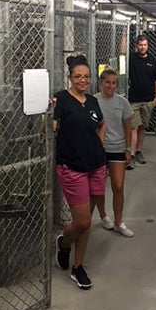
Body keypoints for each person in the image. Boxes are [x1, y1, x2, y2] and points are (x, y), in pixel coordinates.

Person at [54, 55, 107, 290]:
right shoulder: (61, 99)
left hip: (96, 165)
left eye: (86, 77)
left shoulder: (93, 101)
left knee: (85, 223)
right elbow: (50, 128)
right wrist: (46, 112)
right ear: (70, 78)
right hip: (72, 166)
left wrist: (98, 143)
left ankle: (78, 266)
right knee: (83, 220)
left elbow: (101, 124)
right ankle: (64, 244)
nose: (82, 80)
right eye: (78, 76)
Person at [94, 68, 134, 237]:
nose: (110, 86)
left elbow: (128, 126)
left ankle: (118, 222)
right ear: (101, 83)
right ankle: (103, 216)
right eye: (107, 82)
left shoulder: (122, 102)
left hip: (118, 149)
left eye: (113, 83)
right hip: (99, 149)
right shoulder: (93, 101)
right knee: (99, 188)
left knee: (118, 186)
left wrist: (128, 149)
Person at [127, 33, 156, 169]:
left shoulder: (152, 60)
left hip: (148, 100)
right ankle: (132, 155)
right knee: (133, 128)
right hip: (134, 100)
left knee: (142, 127)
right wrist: (124, 34)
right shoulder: (132, 58)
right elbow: (122, 53)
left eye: (145, 45)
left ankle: (139, 151)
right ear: (136, 46)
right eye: (140, 45)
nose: (142, 47)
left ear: (148, 46)